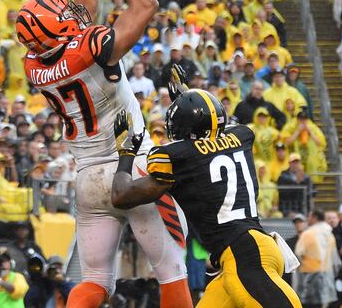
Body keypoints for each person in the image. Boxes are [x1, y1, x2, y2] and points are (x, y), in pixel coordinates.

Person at [15, 0, 191, 307]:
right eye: (64, 13)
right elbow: (146, 4)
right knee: (171, 269)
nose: (72, 12)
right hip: (133, 169)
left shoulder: (35, 64)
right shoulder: (91, 49)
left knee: (94, 280)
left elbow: (79, 18)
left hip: (89, 178)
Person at [109, 89, 301, 307]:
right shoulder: (241, 135)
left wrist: (125, 153)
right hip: (251, 250)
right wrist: (187, 98)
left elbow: (120, 196)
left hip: (244, 256)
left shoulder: (176, 156)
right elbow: (207, 137)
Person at [294, 209, 340, 308]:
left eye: (309, 216)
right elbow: (335, 262)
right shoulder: (330, 235)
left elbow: (298, 255)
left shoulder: (308, 234)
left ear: (314, 217)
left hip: (309, 279)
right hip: (327, 278)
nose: (308, 219)